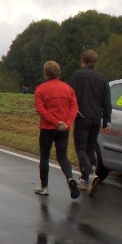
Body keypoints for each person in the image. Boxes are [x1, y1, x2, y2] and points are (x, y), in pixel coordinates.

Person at [34, 60, 80, 199]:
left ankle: (44, 186)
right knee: (62, 156)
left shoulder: (41, 89)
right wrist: (67, 123)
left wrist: (55, 122)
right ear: (58, 73)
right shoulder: (68, 89)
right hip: (63, 129)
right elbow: (74, 108)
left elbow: (40, 109)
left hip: (47, 127)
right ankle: (70, 178)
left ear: (46, 74)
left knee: (45, 156)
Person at [69, 49, 111, 197]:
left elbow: (70, 95)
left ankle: (90, 174)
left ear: (83, 61)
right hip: (96, 118)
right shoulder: (103, 79)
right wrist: (107, 121)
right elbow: (107, 102)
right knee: (90, 147)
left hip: (82, 117)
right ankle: (84, 179)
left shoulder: (77, 76)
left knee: (80, 149)